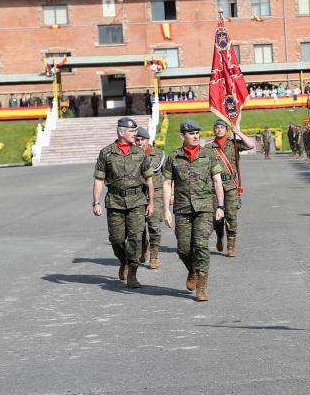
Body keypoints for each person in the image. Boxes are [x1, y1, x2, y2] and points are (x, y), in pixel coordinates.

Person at [162, 120, 224, 301]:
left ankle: (202, 287)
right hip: (182, 208)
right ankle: (193, 270)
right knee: (183, 249)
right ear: (182, 136)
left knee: (201, 246)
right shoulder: (173, 157)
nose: (196, 136)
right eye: (191, 133)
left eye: (198, 132)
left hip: (204, 208)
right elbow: (167, 183)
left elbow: (217, 180)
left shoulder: (209, 155)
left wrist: (220, 206)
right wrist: (166, 209)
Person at [92, 117, 154, 289]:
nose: (135, 134)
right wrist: (95, 202)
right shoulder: (106, 153)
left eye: (135, 131)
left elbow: (149, 179)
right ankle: (123, 261)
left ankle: (133, 273)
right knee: (117, 239)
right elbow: (98, 179)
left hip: (137, 201)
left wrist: (151, 203)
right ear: (121, 132)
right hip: (115, 201)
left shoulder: (140, 153)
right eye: (132, 131)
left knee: (135, 237)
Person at [210, 119, 255, 257]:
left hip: (231, 186)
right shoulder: (209, 147)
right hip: (214, 187)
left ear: (226, 130)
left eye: (221, 127)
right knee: (217, 218)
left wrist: (238, 132)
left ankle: (231, 245)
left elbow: (251, 145)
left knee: (231, 216)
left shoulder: (233, 143)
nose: (219, 130)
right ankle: (219, 236)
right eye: (216, 127)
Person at [136, 127, 166, 270]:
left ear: (148, 140)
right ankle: (143, 248)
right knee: (139, 227)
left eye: (142, 139)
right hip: (137, 195)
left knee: (154, 226)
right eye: (137, 140)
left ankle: (154, 256)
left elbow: (168, 177)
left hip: (157, 194)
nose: (140, 142)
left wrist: (171, 194)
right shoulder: (131, 155)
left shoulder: (159, 155)